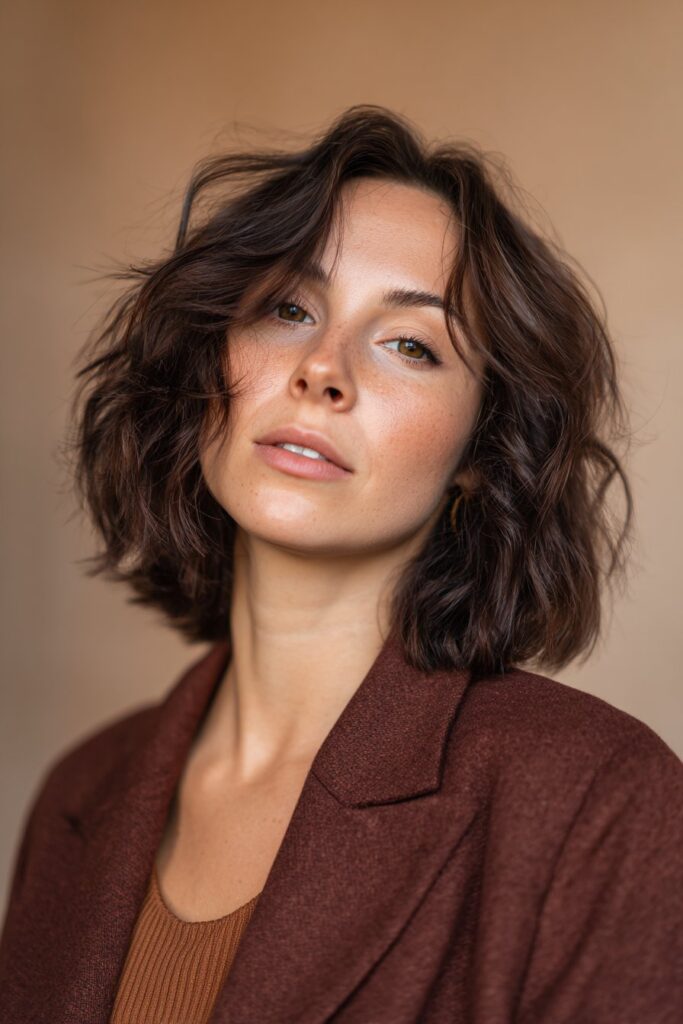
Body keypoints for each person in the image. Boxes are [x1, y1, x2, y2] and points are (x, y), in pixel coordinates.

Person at [1, 104, 681, 1024]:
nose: (323, 369)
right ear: (212, 363)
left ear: (483, 450)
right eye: (288, 309)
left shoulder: (598, 798)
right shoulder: (82, 791)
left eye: (410, 344)